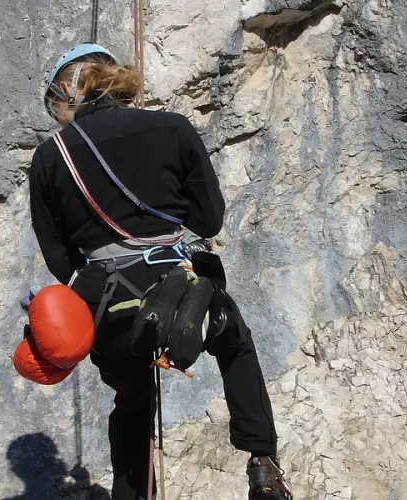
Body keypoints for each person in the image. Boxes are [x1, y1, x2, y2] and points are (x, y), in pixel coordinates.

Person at [28, 43, 292, 500]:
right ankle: (262, 463)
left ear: (67, 95)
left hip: (105, 303)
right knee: (234, 344)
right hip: (179, 284)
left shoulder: (51, 157)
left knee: (132, 402)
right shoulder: (171, 126)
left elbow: (59, 259)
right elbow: (208, 220)